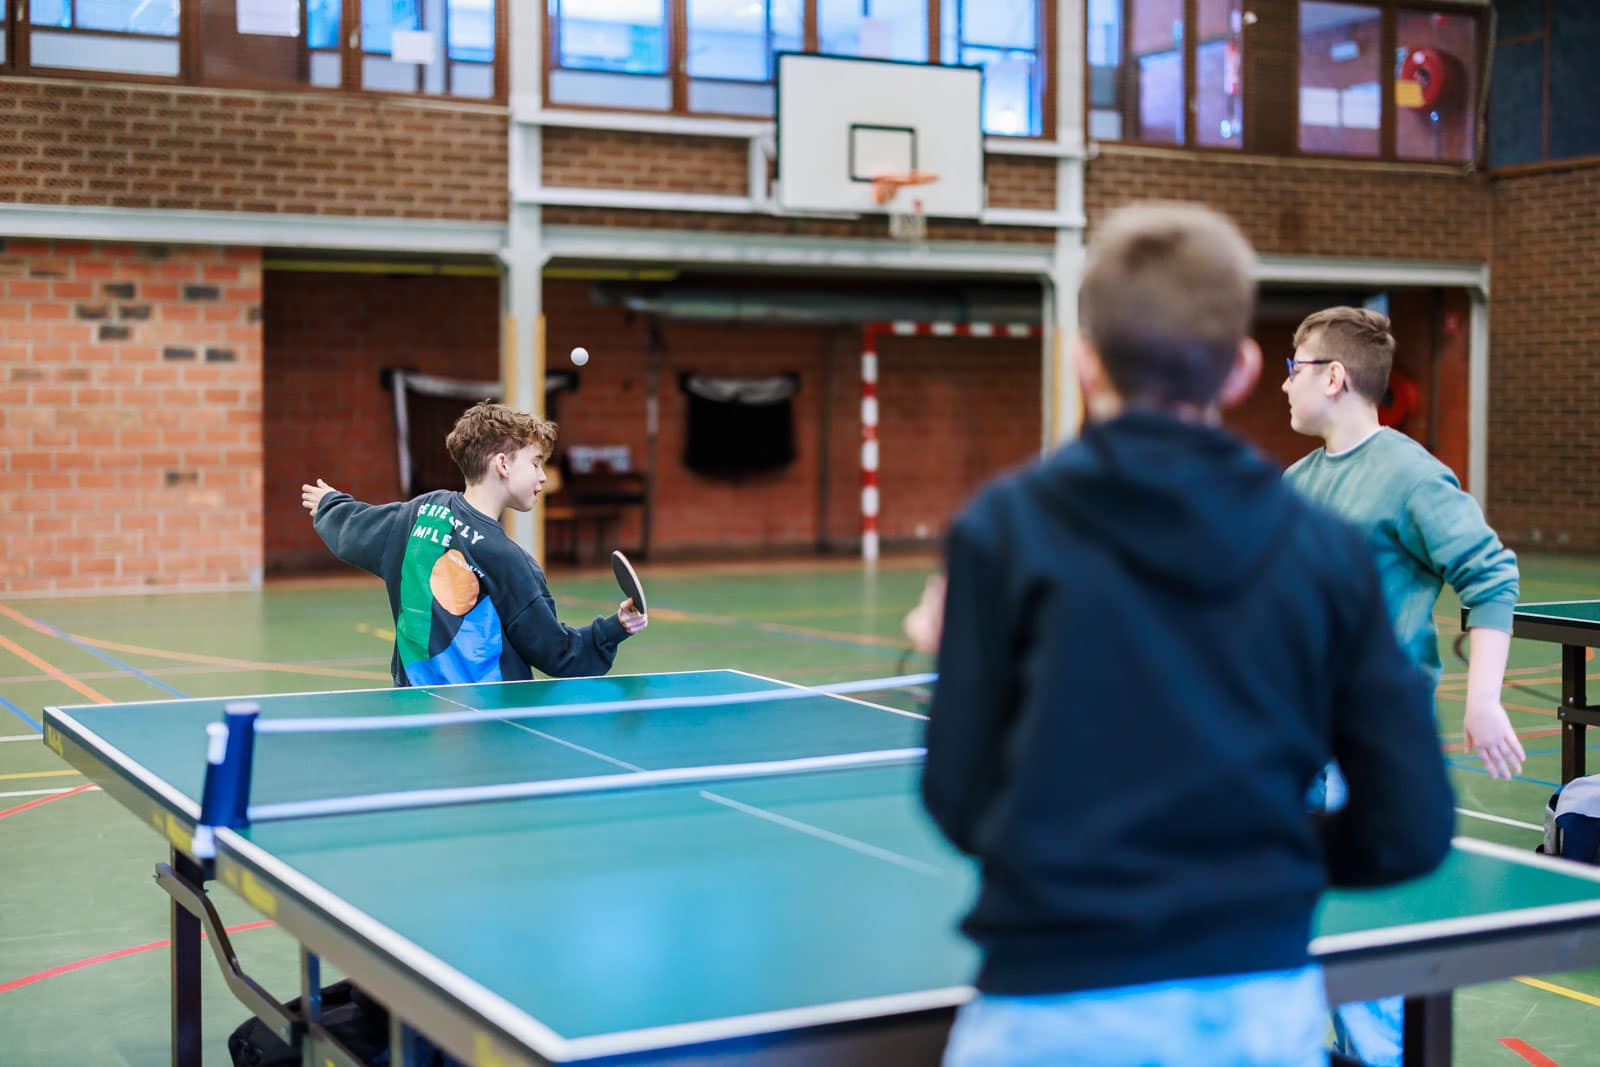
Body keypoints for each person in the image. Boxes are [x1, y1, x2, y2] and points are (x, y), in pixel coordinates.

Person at [918, 203, 1455, 1067]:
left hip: (1052, 995)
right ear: (1242, 368)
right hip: (1254, 1008)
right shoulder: (1322, 549)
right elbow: (1412, 825)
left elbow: (956, 798)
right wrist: (1261, 866)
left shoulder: (1001, 530)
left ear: (1084, 362)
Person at [1283, 305, 1523, 1066]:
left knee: (1367, 947)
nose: (1284, 385)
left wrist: (1483, 698)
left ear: (1334, 375)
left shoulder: (1413, 475)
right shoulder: (1294, 483)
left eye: (1294, 368)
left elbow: (1490, 576)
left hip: (1370, 750)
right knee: (1288, 927)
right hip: (1294, 744)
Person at [301, 400, 645, 687]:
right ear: (502, 464)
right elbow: (559, 654)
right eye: (536, 463)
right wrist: (614, 628)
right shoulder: (508, 560)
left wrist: (331, 504)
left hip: (415, 712)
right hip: (491, 724)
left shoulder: (420, 512)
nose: (542, 476)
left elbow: (356, 527)